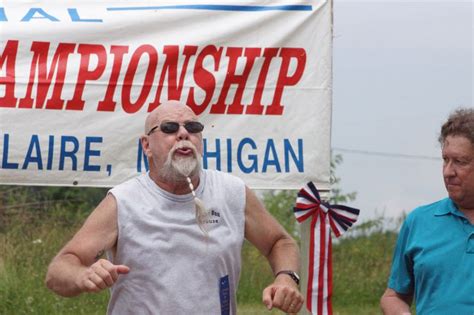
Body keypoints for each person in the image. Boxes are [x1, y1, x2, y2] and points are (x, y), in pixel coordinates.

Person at [45, 100, 304, 314]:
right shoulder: (123, 202)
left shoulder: (231, 192)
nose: (183, 134)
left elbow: (280, 242)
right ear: (146, 145)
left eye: (192, 127)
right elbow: (59, 270)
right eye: (169, 128)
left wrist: (286, 277)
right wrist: (83, 275)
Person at [380, 107, 474, 314]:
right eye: (445, 159)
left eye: (459, 161)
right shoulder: (419, 221)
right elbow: (393, 296)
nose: (448, 172)